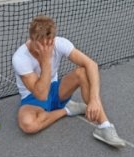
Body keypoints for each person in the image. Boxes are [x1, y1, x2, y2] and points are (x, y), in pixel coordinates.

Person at [12, 15, 126, 148]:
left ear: (53, 39)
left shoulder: (59, 43)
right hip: (32, 98)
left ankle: (104, 126)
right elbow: (41, 95)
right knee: (28, 125)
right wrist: (46, 61)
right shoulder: (20, 58)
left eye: (48, 43)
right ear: (32, 38)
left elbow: (91, 65)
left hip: (55, 90)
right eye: (40, 44)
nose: (45, 48)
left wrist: (95, 100)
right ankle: (68, 109)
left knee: (82, 73)